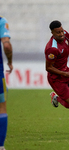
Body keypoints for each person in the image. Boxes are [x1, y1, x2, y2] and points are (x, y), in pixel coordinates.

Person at [0, 16, 13, 150]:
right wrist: (10, 61)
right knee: (1, 108)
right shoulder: (1, 21)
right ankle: (1, 146)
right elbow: (7, 46)